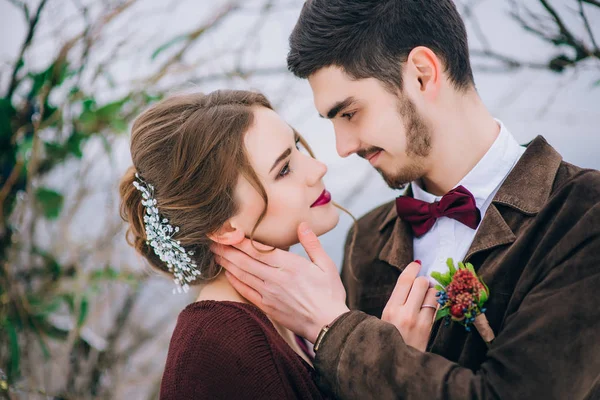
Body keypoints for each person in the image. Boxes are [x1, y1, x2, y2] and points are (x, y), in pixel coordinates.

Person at [213, 1, 600, 399]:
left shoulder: (584, 213)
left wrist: (335, 329)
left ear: (422, 74)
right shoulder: (364, 241)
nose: (342, 147)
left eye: (349, 114)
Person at [119, 90, 435, 399]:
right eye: (283, 170)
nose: (317, 168)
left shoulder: (286, 311)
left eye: (297, 147)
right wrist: (393, 373)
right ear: (224, 226)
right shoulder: (216, 349)